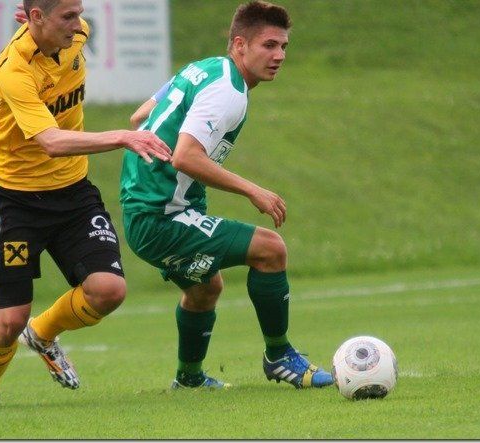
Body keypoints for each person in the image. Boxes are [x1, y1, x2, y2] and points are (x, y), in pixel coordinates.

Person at [0, 0, 171, 410]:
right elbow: (51, 142)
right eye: (68, 16)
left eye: (80, 13)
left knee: (109, 290)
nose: (80, 25)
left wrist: (48, 19)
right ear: (37, 18)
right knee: (10, 320)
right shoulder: (13, 69)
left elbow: (61, 21)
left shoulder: (75, 35)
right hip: (17, 200)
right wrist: (123, 136)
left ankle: (42, 334)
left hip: (73, 194)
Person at [120, 0, 333, 389]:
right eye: (269, 45)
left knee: (205, 288)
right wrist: (253, 190)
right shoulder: (228, 91)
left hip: (146, 207)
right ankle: (279, 356)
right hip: (161, 216)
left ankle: (189, 379)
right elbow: (185, 156)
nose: (279, 56)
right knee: (271, 249)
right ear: (239, 44)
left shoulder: (203, 68)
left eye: (283, 46)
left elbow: (140, 116)